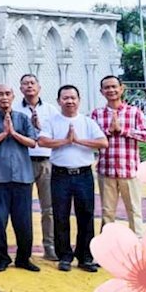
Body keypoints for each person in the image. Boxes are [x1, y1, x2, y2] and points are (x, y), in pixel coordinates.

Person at [36, 85, 108, 273]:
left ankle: (85, 257)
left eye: (73, 98)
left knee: (86, 215)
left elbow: (103, 142)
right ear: (59, 101)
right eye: (65, 98)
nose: (70, 101)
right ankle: (65, 256)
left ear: (79, 100)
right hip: (60, 175)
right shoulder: (52, 122)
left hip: (83, 175)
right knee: (60, 216)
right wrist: (66, 141)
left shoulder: (87, 122)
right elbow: (42, 141)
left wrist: (78, 140)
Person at [0, 83, 40, 272]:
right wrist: (4, 133)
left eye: (7, 94)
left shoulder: (23, 118)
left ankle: (23, 258)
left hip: (22, 177)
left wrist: (13, 133)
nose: (4, 97)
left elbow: (33, 142)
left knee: (23, 221)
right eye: (0, 94)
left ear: (13, 96)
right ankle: (2, 257)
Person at [92, 74, 146, 239]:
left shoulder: (134, 112)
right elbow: (91, 139)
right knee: (107, 212)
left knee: (134, 211)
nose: (111, 90)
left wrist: (124, 131)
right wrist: (108, 131)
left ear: (121, 88)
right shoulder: (97, 114)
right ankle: (106, 245)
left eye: (114, 86)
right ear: (101, 91)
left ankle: (137, 245)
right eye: (107, 87)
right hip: (106, 170)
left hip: (129, 170)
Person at [20, 72, 62, 263]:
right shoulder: (15, 109)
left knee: (49, 207)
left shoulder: (51, 110)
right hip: (24, 161)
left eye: (32, 83)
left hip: (46, 161)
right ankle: (25, 248)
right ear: (20, 88)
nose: (29, 86)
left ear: (39, 87)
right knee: (23, 207)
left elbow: (57, 134)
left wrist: (40, 126)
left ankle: (50, 246)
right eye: (25, 83)